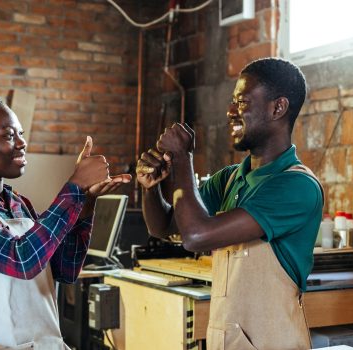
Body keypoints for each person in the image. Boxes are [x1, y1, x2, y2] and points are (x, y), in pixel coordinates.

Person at [0, 77, 131, 349]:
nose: (22, 143)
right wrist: (73, 187)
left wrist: (86, 201)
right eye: (9, 135)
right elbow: (21, 260)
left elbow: (65, 269)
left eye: (21, 134)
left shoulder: (18, 203)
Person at [137, 57, 323, 350]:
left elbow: (197, 236)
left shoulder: (297, 186)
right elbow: (167, 228)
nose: (231, 111)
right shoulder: (229, 179)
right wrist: (151, 188)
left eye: (242, 102)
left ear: (278, 108)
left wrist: (184, 159)